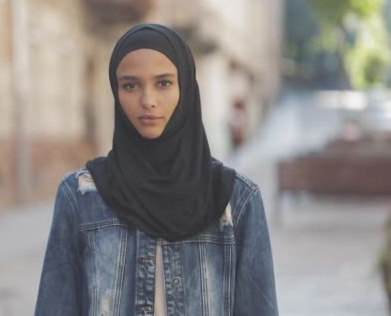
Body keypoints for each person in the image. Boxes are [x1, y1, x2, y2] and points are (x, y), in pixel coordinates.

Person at [34, 23, 277, 315]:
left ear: (185, 87)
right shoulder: (82, 196)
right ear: (116, 91)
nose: (147, 100)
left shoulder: (236, 200)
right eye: (131, 85)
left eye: (163, 83)